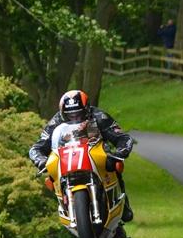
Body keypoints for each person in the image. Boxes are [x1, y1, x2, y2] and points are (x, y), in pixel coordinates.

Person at [29, 90, 135, 223]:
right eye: (70, 116)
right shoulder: (55, 122)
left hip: (95, 153)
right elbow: (36, 147)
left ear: (87, 109)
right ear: (63, 114)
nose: (75, 118)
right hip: (68, 158)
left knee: (113, 164)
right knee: (51, 175)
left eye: (79, 114)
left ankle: (124, 204)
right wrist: (41, 160)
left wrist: (120, 153)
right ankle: (66, 205)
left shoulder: (98, 116)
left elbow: (123, 137)